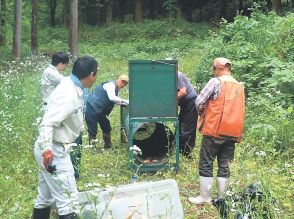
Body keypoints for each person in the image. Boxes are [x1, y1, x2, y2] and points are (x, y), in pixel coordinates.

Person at [33, 56, 98, 219]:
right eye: (95, 75)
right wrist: (47, 151)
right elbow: (47, 124)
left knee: (44, 198)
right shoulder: (68, 94)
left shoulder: (72, 85)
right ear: (91, 75)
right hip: (54, 151)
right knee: (69, 202)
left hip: (49, 149)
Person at [188, 57, 245, 205]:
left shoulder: (215, 81)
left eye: (214, 69)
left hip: (214, 130)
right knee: (224, 164)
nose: (214, 72)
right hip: (232, 132)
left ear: (218, 68)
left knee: (206, 162)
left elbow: (199, 101)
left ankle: (205, 197)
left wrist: (203, 114)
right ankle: (221, 198)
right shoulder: (239, 85)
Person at [85, 74, 129, 149]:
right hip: (91, 107)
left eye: (125, 83)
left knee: (106, 126)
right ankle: (92, 148)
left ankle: (108, 146)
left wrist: (125, 103)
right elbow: (112, 98)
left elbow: (116, 101)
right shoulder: (110, 85)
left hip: (100, 110)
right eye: (122, 81)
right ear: (118, 79)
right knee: (92, 129)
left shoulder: (116, 90)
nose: (123, 84)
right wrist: (126, 101)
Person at [177, 71, 198, 157]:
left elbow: (182, 91)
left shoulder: (175, 74)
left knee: (187, 128)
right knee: (179, 125)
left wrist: (171, 100)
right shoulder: (169, 75)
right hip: (184, 104)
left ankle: (185, 153)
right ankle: (178, 150)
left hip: (191, 102)